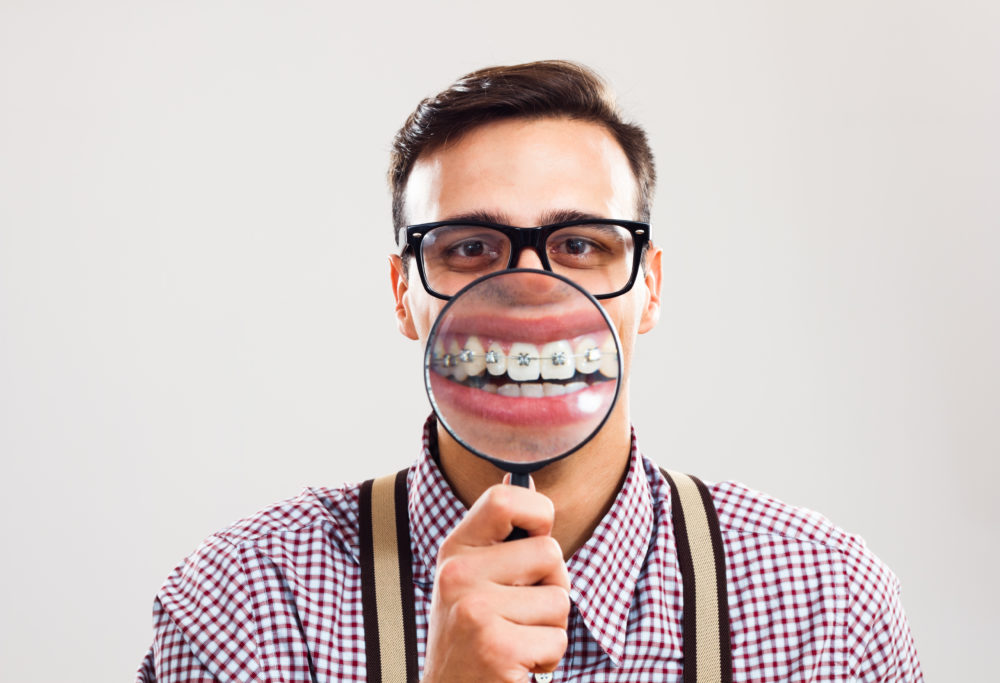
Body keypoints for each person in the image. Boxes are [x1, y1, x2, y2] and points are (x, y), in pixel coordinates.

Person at [137, 60, 922, 682]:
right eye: (468, 247)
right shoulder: (247, 603)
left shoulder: (829, 604)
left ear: (648, 286)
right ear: (402, 293)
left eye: (582, 243)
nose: (529, 287)